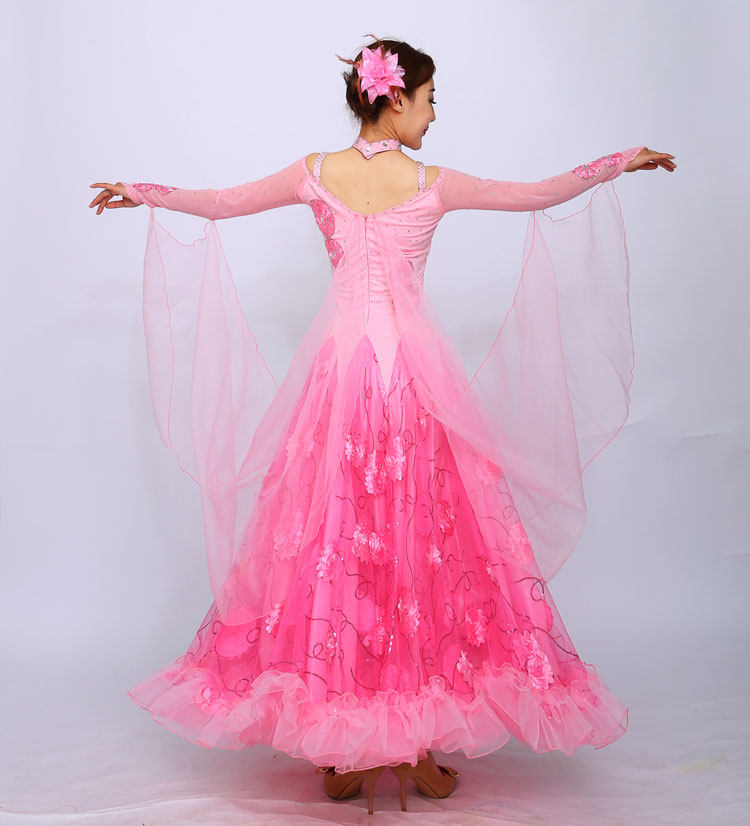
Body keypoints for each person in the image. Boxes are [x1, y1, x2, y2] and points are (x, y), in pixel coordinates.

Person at [89, 35, 675, 815]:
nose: (433, 116)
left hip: (337, 380)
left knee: (336, 547)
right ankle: (389, 733)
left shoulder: (314, 172)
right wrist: (617, 162)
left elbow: (222, 202)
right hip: (412, 386)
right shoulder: (433, 183)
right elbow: (537, 194)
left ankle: (359, 730)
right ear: (393, 97)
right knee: (419, 548)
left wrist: (142, 192)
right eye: (429, 101)